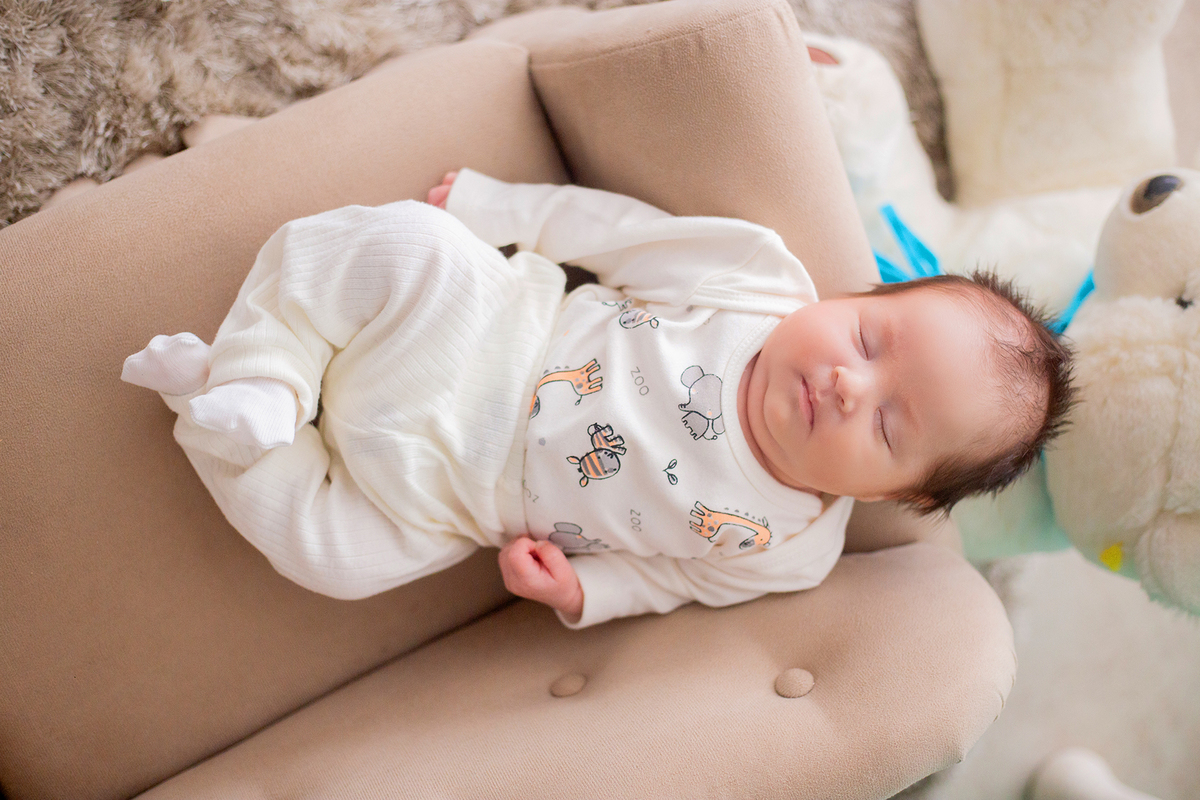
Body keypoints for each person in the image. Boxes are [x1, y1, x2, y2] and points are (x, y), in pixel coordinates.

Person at [122, 169, 1073, 628]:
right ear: (852, 297)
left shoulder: (790, 549)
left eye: (889, 423)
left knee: (337, 561)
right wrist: (488, 209)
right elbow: (612, 232)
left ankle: (226, 421)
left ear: (898, 494)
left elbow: (673, 582)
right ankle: (268, 370)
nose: (845, 383)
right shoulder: (755, 279)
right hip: (485, 333)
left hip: (447, 504)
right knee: (405, 244)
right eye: (868, 341)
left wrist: (585, 591)